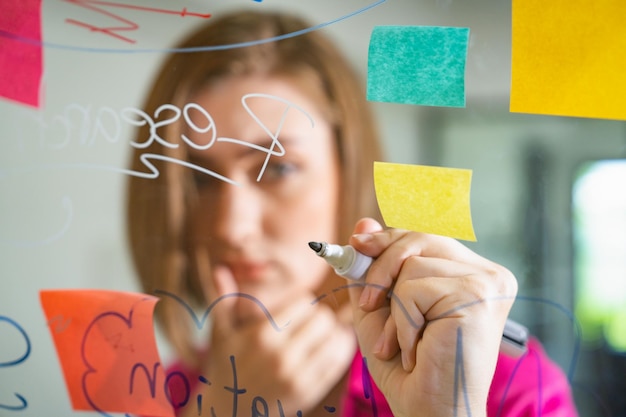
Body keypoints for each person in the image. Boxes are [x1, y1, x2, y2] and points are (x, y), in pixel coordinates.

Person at [126, 9, 578, 417]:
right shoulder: (170, 397)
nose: (231, 227)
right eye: (200, 179)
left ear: (350, 169)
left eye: (277, 167)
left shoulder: (504, 389)